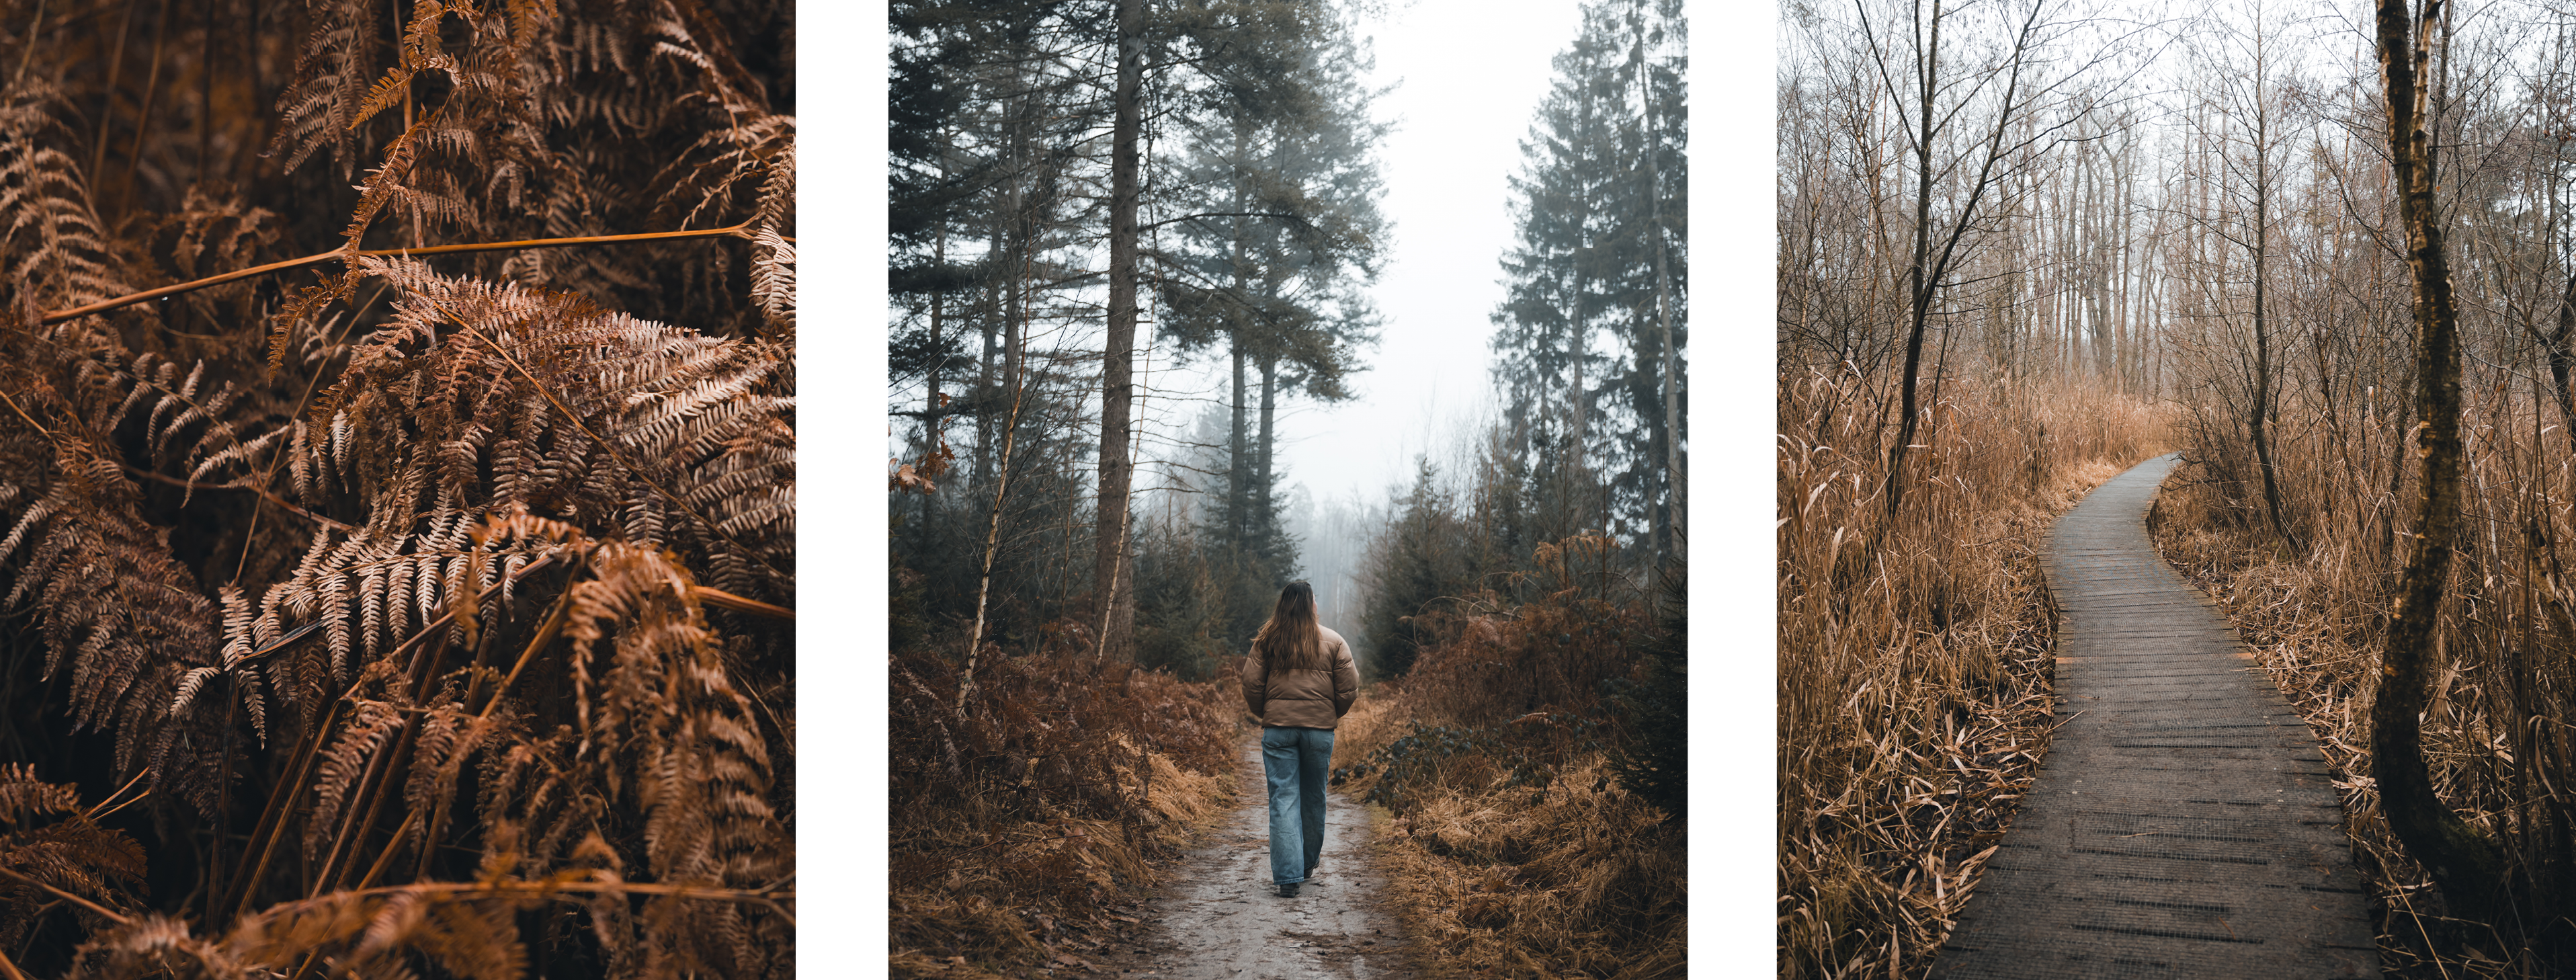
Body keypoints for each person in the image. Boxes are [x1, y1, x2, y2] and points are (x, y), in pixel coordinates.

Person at [1239, 581, 1360, 898]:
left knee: (1283, 798)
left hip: (1278, 731)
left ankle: (1288, 877)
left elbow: (1251, 686)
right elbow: (1349, 690)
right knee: (1313, 795)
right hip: (1319, 733)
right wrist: (1327, 717)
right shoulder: (1334, 641)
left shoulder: (1267, 641)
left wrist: (1268, 714)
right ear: (1311, 606)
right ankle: (1305, 865)